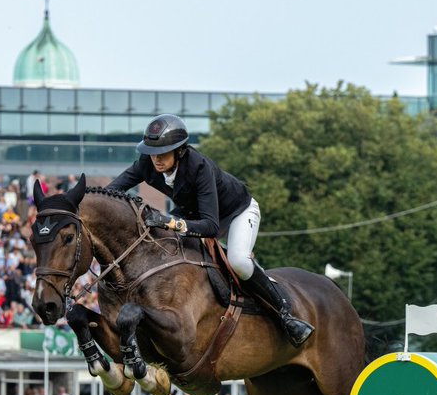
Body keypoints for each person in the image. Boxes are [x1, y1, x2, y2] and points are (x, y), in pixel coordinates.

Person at [108, 114, 313, 346]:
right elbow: (113, 190)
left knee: (238, 261)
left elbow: (211, 226)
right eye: (152, 152)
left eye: (163, 153)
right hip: (194, 212)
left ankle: (285, 314)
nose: (156, 159)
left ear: (180, 151)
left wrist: (170, 223)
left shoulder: (199, 167)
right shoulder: (147, 162)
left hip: (237, 212)